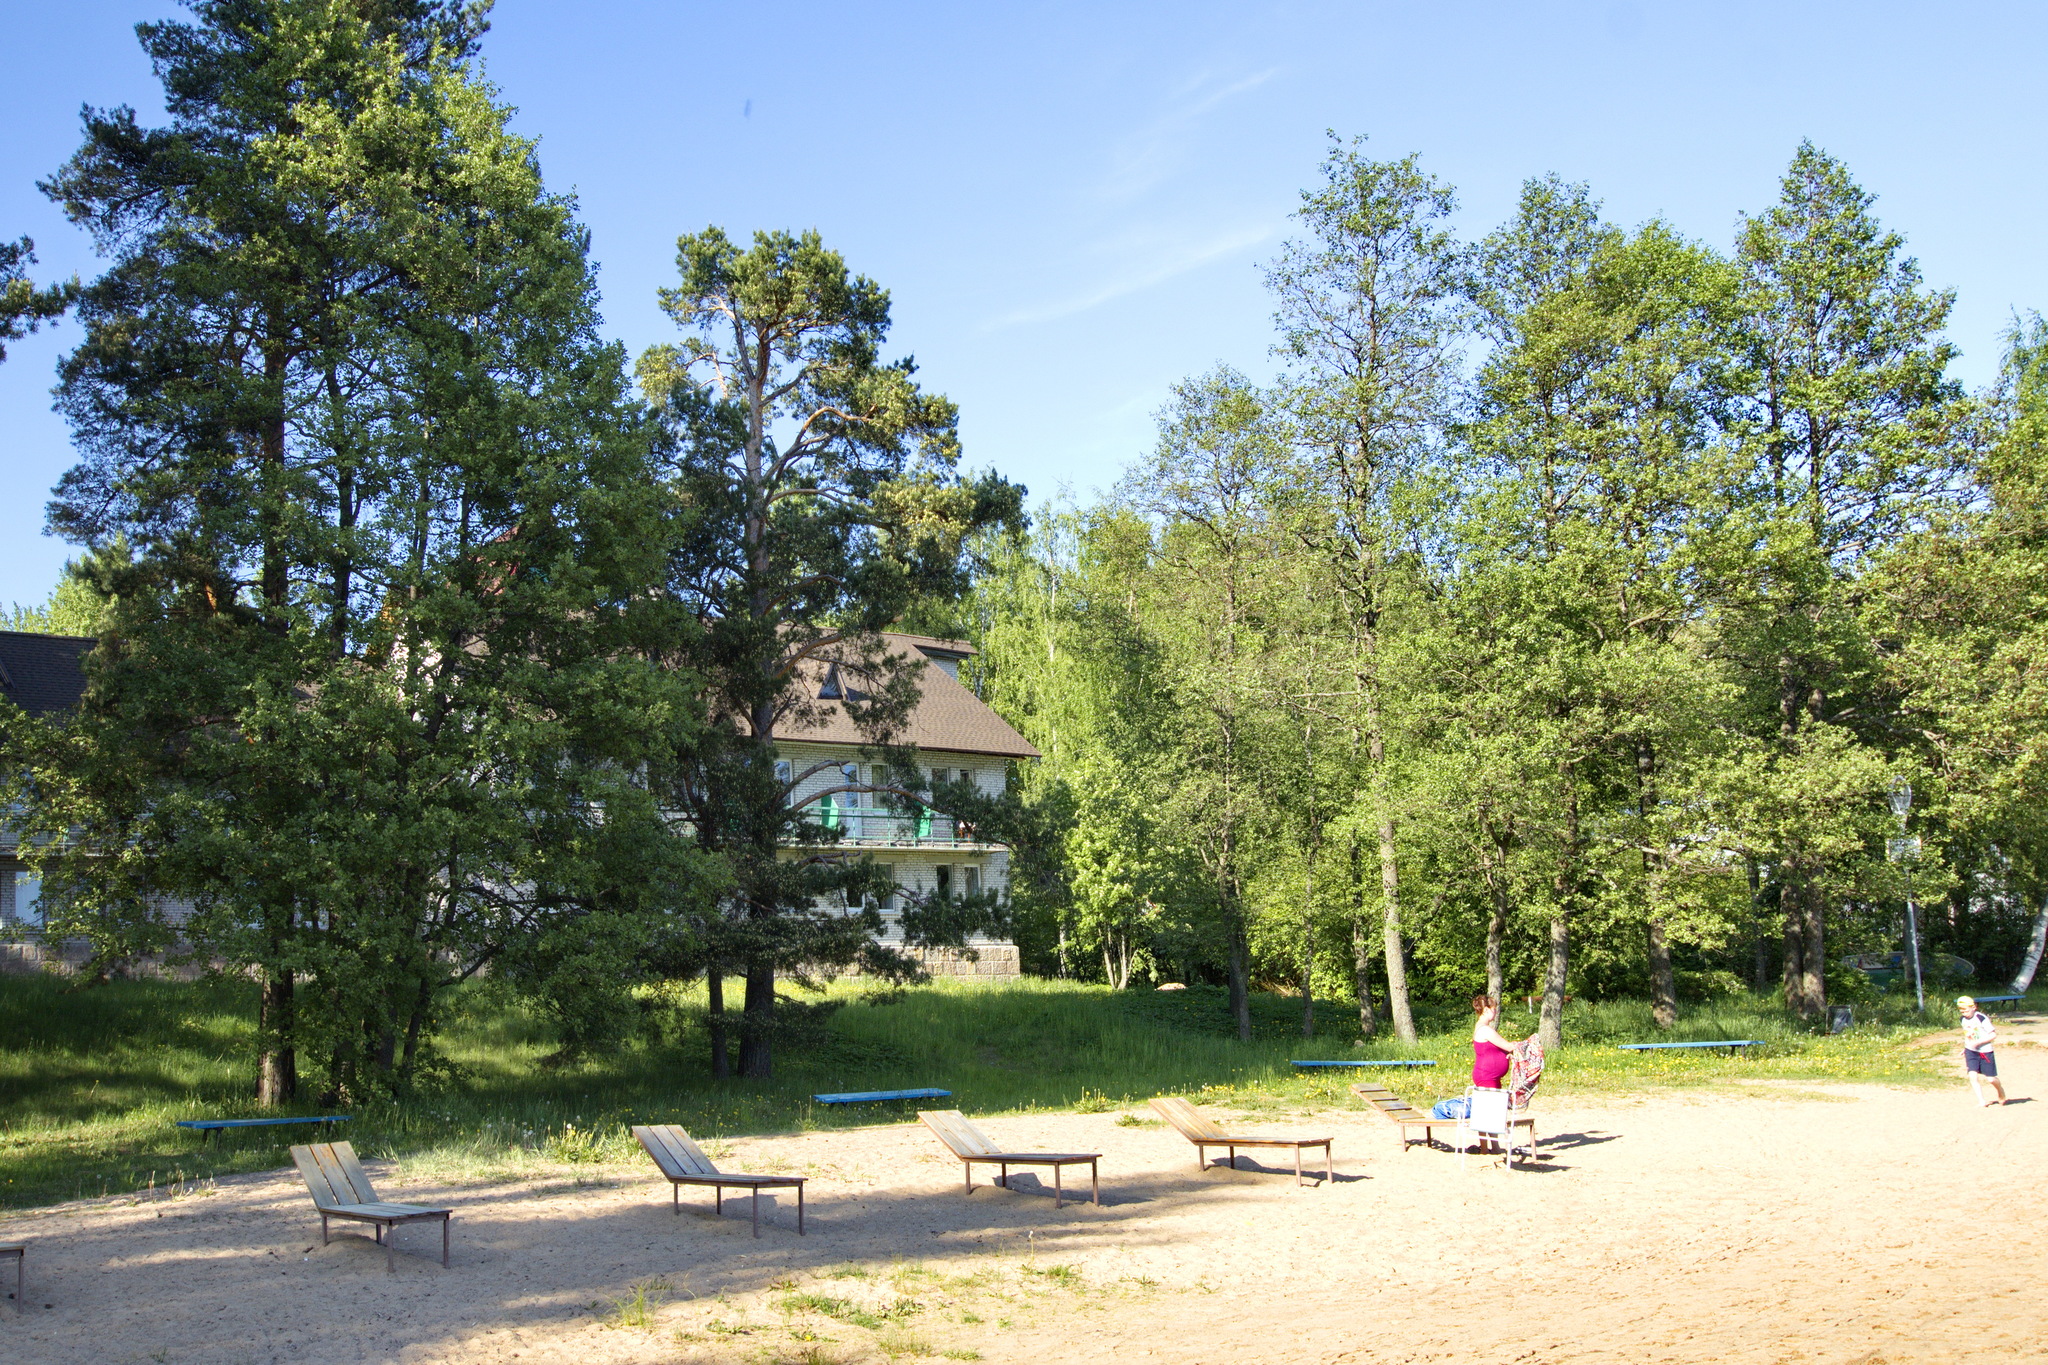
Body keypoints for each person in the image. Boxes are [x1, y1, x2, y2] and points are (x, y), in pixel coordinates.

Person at [1958, 996, 2007, 1107]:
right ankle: (1981, 1101)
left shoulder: (1981, 1018)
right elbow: (1969, 1034)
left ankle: (2000, 1091)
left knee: (1990, 1079)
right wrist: (1966, 1048)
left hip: (1985, 1051)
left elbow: (1993, 1035)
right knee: (1972, 1075)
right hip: (1971, 1051)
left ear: (1974, 1007)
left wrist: (1979, 1043)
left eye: (1966, 1010)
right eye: (1961, 1011)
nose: (1964, 1013)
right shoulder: (1962, 1019)